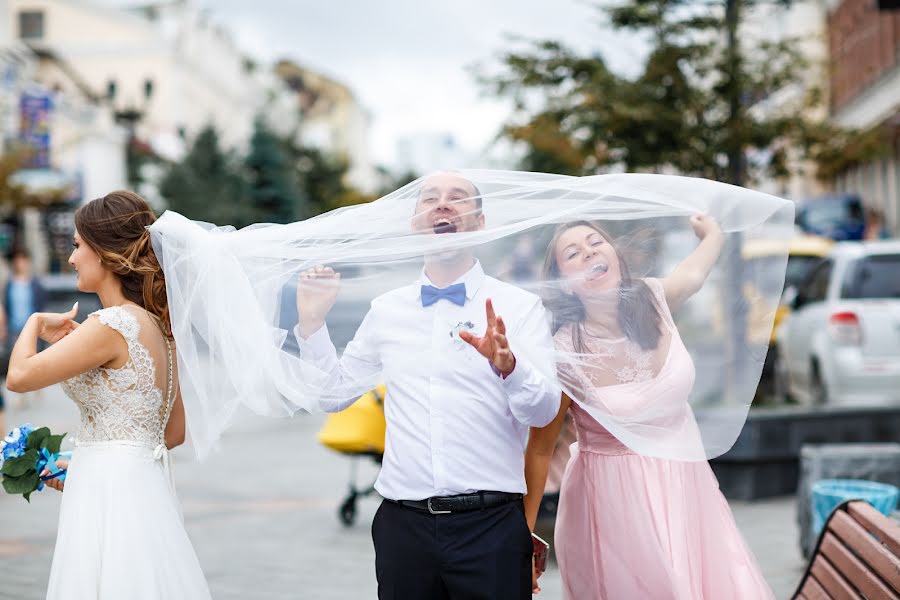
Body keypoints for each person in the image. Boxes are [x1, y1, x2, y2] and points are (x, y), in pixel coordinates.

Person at [295, 171, 560, 599]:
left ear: (480, 221)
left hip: (491, 528)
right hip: (404, 529)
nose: (442, 204)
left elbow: (543, 412)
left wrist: (510, 367)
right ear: (415, 222)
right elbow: (333, 394)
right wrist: (312, 324)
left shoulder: (520, 307)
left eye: (457, 198)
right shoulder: (386, 310)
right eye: (430, 199)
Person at [525, 218, 774, 599]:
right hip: (613, 504)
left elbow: (692, 274)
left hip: (688, 488)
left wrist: (713, 234)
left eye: (596, 242)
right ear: (562, 283)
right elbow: (541, 447)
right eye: (573, 253)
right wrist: (522, 534)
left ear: (615, 256)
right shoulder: (563, 353)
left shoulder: (653, 300)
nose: (590, 251)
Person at [6, 191, 210, 599]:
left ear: (104, 252)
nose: (71, 258)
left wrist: (32, 322)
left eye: (78, 246)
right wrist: (82, 462)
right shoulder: (159, 327)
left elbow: (19, 376)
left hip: (109, 494)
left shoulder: (111, 324)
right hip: (140, 488)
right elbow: (172, 433)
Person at [4, 248, 47, 407]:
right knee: (16, 360)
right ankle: (21, 395)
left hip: (33, 328)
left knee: (34, 359)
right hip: (15, 328)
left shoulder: (35, 284)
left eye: (23, 259)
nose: (20, 263)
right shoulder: (10, 284)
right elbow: (7, 306)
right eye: (18, 260)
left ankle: (35, 386)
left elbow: (41, 305)